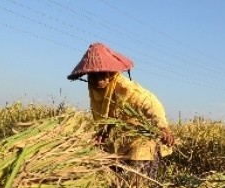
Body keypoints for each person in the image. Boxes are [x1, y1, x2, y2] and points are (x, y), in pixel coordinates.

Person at [67, 42, 175, 180]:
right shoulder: (95, 92)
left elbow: (151, 104)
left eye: (101, 74)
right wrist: (101, 134)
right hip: (118, 145)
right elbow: (106, 119)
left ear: (110, 72)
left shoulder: (126, 89)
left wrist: (163, 128)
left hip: (140, 145)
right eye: (93, 75)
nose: (98, 79)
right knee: (111, 184)